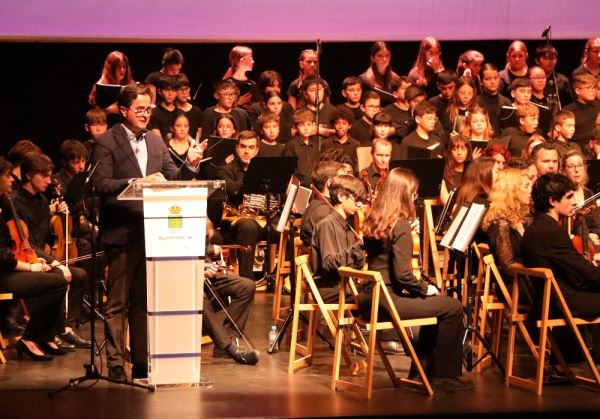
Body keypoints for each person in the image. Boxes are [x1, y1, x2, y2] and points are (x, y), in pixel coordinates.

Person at [91, 84, 204, 382]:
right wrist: (137, 183)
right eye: (140, 109)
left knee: (143, 302)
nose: (145, 114)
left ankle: (141, 362)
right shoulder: (107, 141)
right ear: (124, 110)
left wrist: (190, 164)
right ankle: (116, 363)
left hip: (153, 232)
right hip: (121, 232)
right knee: (117, 302)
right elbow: (101, 184)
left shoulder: (155, 141)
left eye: (149, 109)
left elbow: (173, 178)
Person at [361, 167, 473, 393]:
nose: (415, 198)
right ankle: (443, 376)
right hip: (388, 300)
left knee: (437, 307)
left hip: (370, 298)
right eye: (413, 194)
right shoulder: (399, 224)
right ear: (404, 195)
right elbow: (402, 275)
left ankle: (421, 369)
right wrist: (425, 288)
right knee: (452, 307)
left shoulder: (374, 219)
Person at [13, 152, 91, 349]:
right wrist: (53, 262)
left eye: (50, 175)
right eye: (44, 176)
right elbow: (27, 242)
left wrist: (59, 214)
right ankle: (47, 331)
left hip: (41, 256)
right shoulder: (16, 203)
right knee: (58, 277)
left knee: (80, 274)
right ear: (29, 175)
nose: (49, 180)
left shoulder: (41, 200)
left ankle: (66, 325)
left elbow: (46, 234)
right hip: (26, 259)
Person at [521, 172, 600, 364]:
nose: (574, 202)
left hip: (548, 299)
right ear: (552, 201)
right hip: (561, 303)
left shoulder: (535, 227)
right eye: (569, 197)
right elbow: (587, 273)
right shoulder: (551, 232)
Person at [0, 157, 69, 361]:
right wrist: (30, 268)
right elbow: (2, 258)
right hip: (3, 274)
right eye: (6, 176)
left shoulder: (5, 202)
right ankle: (30, 337)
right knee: (56, 282)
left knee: (57, 278)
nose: (12, 180)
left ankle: (42, 336)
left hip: (8, 269)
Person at [217, 130, 273, 280]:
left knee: (286, 230)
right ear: (237, 148)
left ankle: (275, 276)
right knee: (248, 226)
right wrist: (251, 177)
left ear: (257, 150)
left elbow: (275, 195)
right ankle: (247, 280)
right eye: (243, 146)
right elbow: (230, 188)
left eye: (251, 147)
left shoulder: (266, 171)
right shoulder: (225, 169)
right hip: (234, 222)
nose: (246, 151)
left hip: (260, 220)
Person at [310, 175, 367, 303]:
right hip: (330, 289)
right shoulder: (326, 224)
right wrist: (358, 248)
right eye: (356, 200)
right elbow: (328, 263)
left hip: (344, 285)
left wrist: (360, 257)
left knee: (378, 290)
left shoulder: (347, 226)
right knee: (374, 298)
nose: (359, 205)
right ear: (341, 196)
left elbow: (351, 265)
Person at [203, 239, 259, 365]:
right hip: (186, 279)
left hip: (208, 274)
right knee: (198, 298)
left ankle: (224, 343)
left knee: (247, 286)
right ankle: (231, 349)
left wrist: (209, 248)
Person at [481, 168, 532, 286]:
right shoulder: (500, 223)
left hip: (528, 277)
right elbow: (509, 268)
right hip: (515, 285)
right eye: (526, 187)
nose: (530, 191)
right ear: (512, 191)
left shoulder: (525, 218)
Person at [561, 150, 600, 253]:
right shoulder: (562, 196)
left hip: (591, 244)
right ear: (563, 171)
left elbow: (595, 225)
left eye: (579, 165)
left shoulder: (589, 193)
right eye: (571, 166)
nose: (577, 170)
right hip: (574, 248)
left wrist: (594, 234)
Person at [300, 160, 345, 246]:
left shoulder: (316, 202)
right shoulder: (325, 212)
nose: (345, 184)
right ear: (329, 183)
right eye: (342, 179)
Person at [88, 51, 135, 117]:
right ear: (111, 68)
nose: (122, 70)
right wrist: (109, 110)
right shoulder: (102, 85)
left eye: (124, 66)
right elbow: (94, 116)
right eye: (119, 67)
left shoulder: (129, 82)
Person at [283, 108, 320, 187]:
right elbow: (288, 168)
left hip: (314, 185)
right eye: (301, 125)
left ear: (313, 125)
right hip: (298, 185)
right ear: (295, 127)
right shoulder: (291, 145)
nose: (306, 128)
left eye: (309, 124)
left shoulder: (315, 146)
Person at [564, 73, 600, 151]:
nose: (593, 91)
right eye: (589, 88)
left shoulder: (599, 107)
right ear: (577, 91)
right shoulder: (568, 111)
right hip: (578, 152)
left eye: (594, 88)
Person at [477, 63, 512, 136]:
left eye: (495, 78)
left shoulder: (506, 101)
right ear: (481, 81)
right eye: (488, 79)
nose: (492, 82)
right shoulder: (476, 102)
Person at [222, 45, 260, 111]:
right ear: (241, 60)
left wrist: (254, 108)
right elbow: (221, 107)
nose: (253, 61)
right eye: (250, 58)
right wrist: (238, 102)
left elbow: (259, 107)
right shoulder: (227, 84)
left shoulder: (252, 84)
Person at [440, 135, 473, 206]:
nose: (459, 153)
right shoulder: (443, 172)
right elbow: (447, 205)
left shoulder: (473, 171)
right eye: (455, 149)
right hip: (449, 212)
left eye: (463, 149)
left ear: (468, 151)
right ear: (450, 151)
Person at [148, 75, 182, 141]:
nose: (170, 93)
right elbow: (158, 140)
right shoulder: (154, 113)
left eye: (173, 90)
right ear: (159, 92)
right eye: (167, 90)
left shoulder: (181, 113)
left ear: (177, 93)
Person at [383, 76, 413, 141]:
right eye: (405, 88)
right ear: (395, 94)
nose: (409, 91)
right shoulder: (387, 111)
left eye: (410, 88)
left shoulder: (417, 108)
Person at [174, 73, 203, 140]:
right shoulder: (172, 110)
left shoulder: (197, 111)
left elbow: (199, 132)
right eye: (181, 89)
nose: (184, 93)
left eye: (186, 89)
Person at [428, 69, 457, 134]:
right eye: (443, 88)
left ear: (456, 85)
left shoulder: (459, 100)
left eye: (450, 87)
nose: (447, 92)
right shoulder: (433, 102)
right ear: (438, 86)